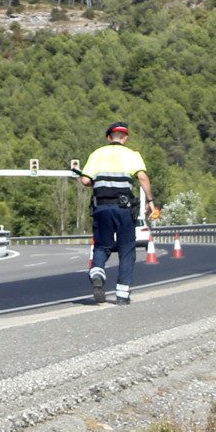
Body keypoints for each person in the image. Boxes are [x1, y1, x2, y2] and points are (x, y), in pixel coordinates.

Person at [80, 122, 151, 305]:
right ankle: (122, 295)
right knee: (127, 250)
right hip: (124, 209)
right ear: (125, 138)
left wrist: (95, 182)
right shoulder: (132, 155)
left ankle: (97, 272)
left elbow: (85, 180)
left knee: (102, 246)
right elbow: (142, 177)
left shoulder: (97, 154)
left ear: (108, 137)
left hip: (102, 208)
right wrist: (150, 201)